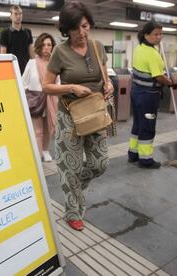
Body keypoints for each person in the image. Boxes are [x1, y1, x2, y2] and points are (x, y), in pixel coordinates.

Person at [42, 1, 114, 231]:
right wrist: (71, 87)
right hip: (69, 118)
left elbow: (105, 75)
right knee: (69, 167)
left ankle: (73, 189)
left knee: (100, 163)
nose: (82, 33)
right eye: (76, 29)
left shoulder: (97, 46)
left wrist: (109, 84)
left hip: (95, 113)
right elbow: (46, 86)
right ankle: (72, 209)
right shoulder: (59, 52)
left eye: (85, 26)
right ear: (66, 29)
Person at [127, 22, 173, 169]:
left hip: (136, 92)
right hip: (148, 96)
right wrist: (169, 82)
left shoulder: (139, 48)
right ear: (146, 35)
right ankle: (145, 160)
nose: (159, 37)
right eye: (155, 34)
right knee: (147, 126)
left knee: (138, 124)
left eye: (161, 34)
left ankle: (133, 154)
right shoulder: (152, 53)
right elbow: (158, 76)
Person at [22, 33, 59, 162]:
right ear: (39, 46)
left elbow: (59, 83)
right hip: (36, 101)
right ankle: (38, 154)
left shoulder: (55, 65)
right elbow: (23, 83)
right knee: (38, 130)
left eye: (49, 45)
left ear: (53, 47)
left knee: (48, 129)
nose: (46, 47)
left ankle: (45, 150)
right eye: (43, 44)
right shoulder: (32, 63)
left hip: (51, 101)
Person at [0, 5, 35, 74]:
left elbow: (32, 53)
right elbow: (2, 55)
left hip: (26, 70)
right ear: (11, 16)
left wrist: (34, 67)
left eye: (20, 14)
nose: (18, 16)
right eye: (16, 14)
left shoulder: (28, 32)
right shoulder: (5, 33)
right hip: (11, 71)